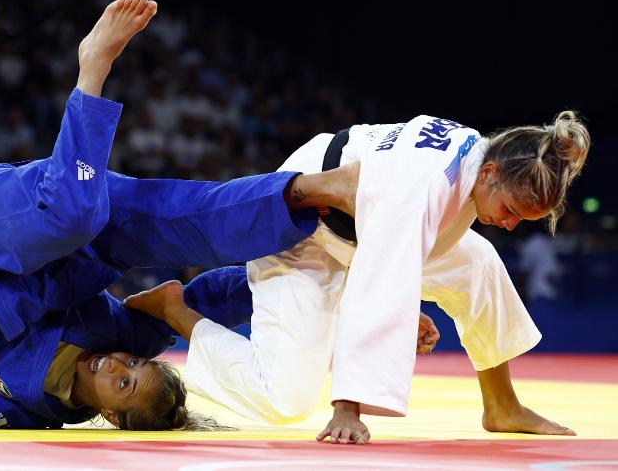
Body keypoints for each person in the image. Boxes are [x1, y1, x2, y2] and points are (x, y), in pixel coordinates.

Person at [0, 0, 361, 431]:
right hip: (62, 219)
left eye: (123, 383)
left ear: (112, 417)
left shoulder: (28, 402)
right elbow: (221, 299)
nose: (120, 363)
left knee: (92, 214)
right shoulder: (121, 339)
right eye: (138, 364)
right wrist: (341, 292)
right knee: (183, 222)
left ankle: (93, 74)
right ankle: (315, 190)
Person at [127, 109, 590, 443]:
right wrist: (348, 407)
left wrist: (411, 305)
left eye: (520, 221)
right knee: (284, 400)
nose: (510, 224)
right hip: (307, 227)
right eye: (510, 211)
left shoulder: (480, 159)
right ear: (489, 173)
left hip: (362, 227)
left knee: (480, 263)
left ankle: (501, 405)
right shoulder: (425, 186)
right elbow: (380, 283)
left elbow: (393, 251)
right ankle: (176, 310)